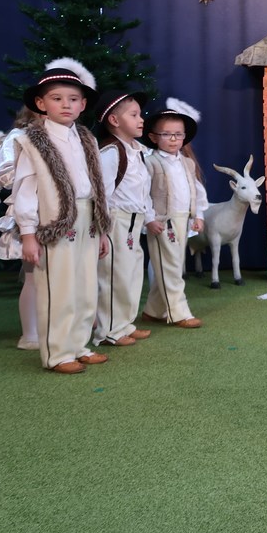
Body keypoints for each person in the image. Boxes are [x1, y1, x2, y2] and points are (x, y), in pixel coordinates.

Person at [12, 58, 112, 374]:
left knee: (85, 287)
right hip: (55, 224)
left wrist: (101, 229)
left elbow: (97, 184)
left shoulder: (87, 138)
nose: (66, 105)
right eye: (57, 98)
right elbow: (25, 189)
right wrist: (28, 234)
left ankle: (79, 345)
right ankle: (57, 353)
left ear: (83, 104)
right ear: (41, 104)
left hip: (88, 220)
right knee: (59, 289)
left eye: (73, 99)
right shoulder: (31, 141)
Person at [92, 90, 153, 347]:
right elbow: (101, 194)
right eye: (134, 115)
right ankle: (109, 331)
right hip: (117, 221)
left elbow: (143, 190)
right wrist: (102, 230)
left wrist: (148, 217)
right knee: (114, 276)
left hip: (134, 222)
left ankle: (125, 323)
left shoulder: (137, 151)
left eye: (140, 114)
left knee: (131, 274)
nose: (141, 120)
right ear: (114, 120)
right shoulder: (111, 152)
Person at [140, 98, 208, 329]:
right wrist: (149, 219)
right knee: (169, 266)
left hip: (183, 220)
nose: (173, 139)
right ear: (153, 137)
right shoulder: (150, 162)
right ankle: (179, 312)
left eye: (178, 134)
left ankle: (153, 310)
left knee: (174, 264)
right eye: (167, 134)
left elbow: (196, 190)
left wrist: (198, 215)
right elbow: (143, 194)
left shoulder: (187, 163)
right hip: (162, 221)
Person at [0, 107, 41, 350]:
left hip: (58, 212)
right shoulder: (19, 137)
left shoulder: (66, 136)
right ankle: (30, 334)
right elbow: (5, 175)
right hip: (30, 210)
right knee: (33, 275)